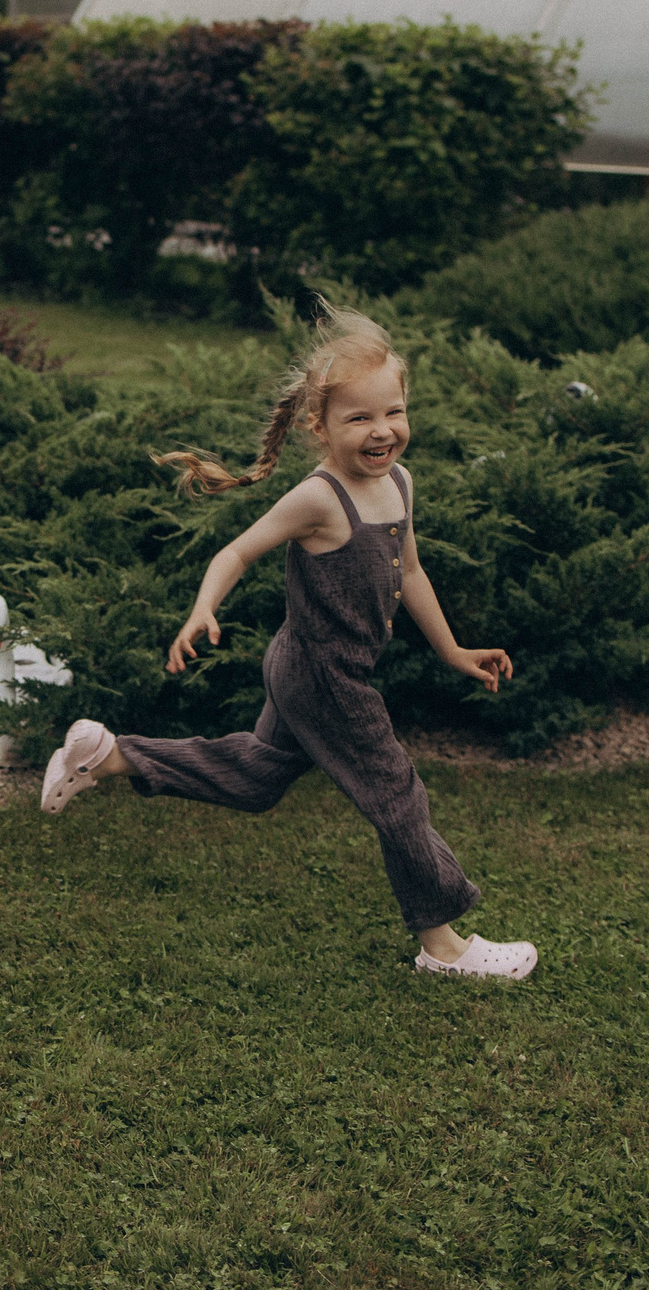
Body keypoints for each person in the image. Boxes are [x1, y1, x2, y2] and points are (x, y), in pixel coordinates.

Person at [36, 305, 539, 981]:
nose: (381, 429)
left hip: (306, 668)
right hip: (325, 677)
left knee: (256, 778)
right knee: (398, 797)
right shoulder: (320, 498)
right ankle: (443, 946)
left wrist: (452, 650)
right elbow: (236, 551)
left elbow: (410, 570)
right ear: (320, 425)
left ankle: (111, 755)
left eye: (392, 411)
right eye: (358, 417)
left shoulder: (399, 483)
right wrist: (202, 608)